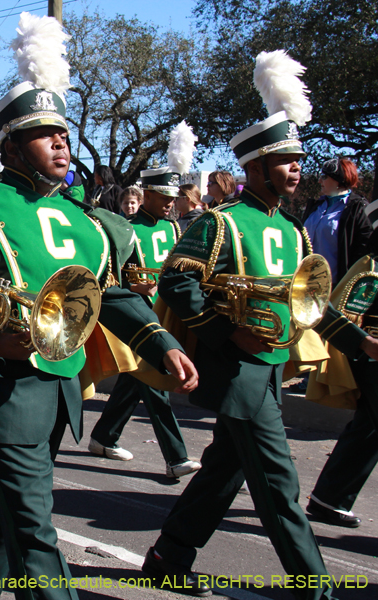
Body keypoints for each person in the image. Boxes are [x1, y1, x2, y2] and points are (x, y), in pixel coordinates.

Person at [0, 15, 197, 599]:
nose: (62, 143)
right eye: (45, 134)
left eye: (63, 133)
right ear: (11, 145)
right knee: (36, 538)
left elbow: (107, 292)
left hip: (60, 388)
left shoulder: (87, 222)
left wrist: (157, 340)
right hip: (1, 387)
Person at [142, 51, 378, 599]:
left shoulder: (294, 232)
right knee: (278, 482)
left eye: (299, 159)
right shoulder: (222, 222)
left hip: (272, 367)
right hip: (237, 369)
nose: (297, 167)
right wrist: (230, 332)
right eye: (286, 159)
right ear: (254, 167)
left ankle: (168, 555)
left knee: (225, 469)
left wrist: (360, 340)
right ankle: (313, 586)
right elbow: (179, 282)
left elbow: (311, 304)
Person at [90, 155, 202, 479]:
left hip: (166, 314)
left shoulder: (174, 227)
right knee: (156, 380)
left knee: (134, 379)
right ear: (147, 195)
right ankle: (175, 456)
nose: (169, 205)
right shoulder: (126, 228)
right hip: (138, 315)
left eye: (173, 199)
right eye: (164, 199)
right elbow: (113, 280)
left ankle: (103, 436)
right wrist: (134, 284)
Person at [303, 254, 378, 528]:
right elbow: (346, 313)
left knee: (368, 429)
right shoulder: (371, 271)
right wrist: (363, 343)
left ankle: (330, 497)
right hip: (373, 359)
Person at [302, 157, 370, 287]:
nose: (319, 180)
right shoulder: (316, 206)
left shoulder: (358, 209)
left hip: (336, 285)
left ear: (339, 180)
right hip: (305, 282)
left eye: (324, 176)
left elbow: (363, 252)